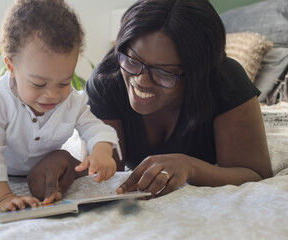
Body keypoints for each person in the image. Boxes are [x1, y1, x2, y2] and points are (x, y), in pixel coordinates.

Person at [26, 0, 273, 199]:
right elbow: (109, 168)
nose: (141, 81)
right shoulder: (108, 79)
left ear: (198, 72)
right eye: (133, 60)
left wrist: (190, 167)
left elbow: (255, 174)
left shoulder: (225, 80)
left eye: (165, 71)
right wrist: (66, 162)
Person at [0, 0, 120, 212]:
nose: (52, 94)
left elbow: (95, 127)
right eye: (39, 84)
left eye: (64, 82)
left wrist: (102, 149)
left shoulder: (71, 101)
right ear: (11, 66)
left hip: (36, 161)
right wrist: (4, 196)